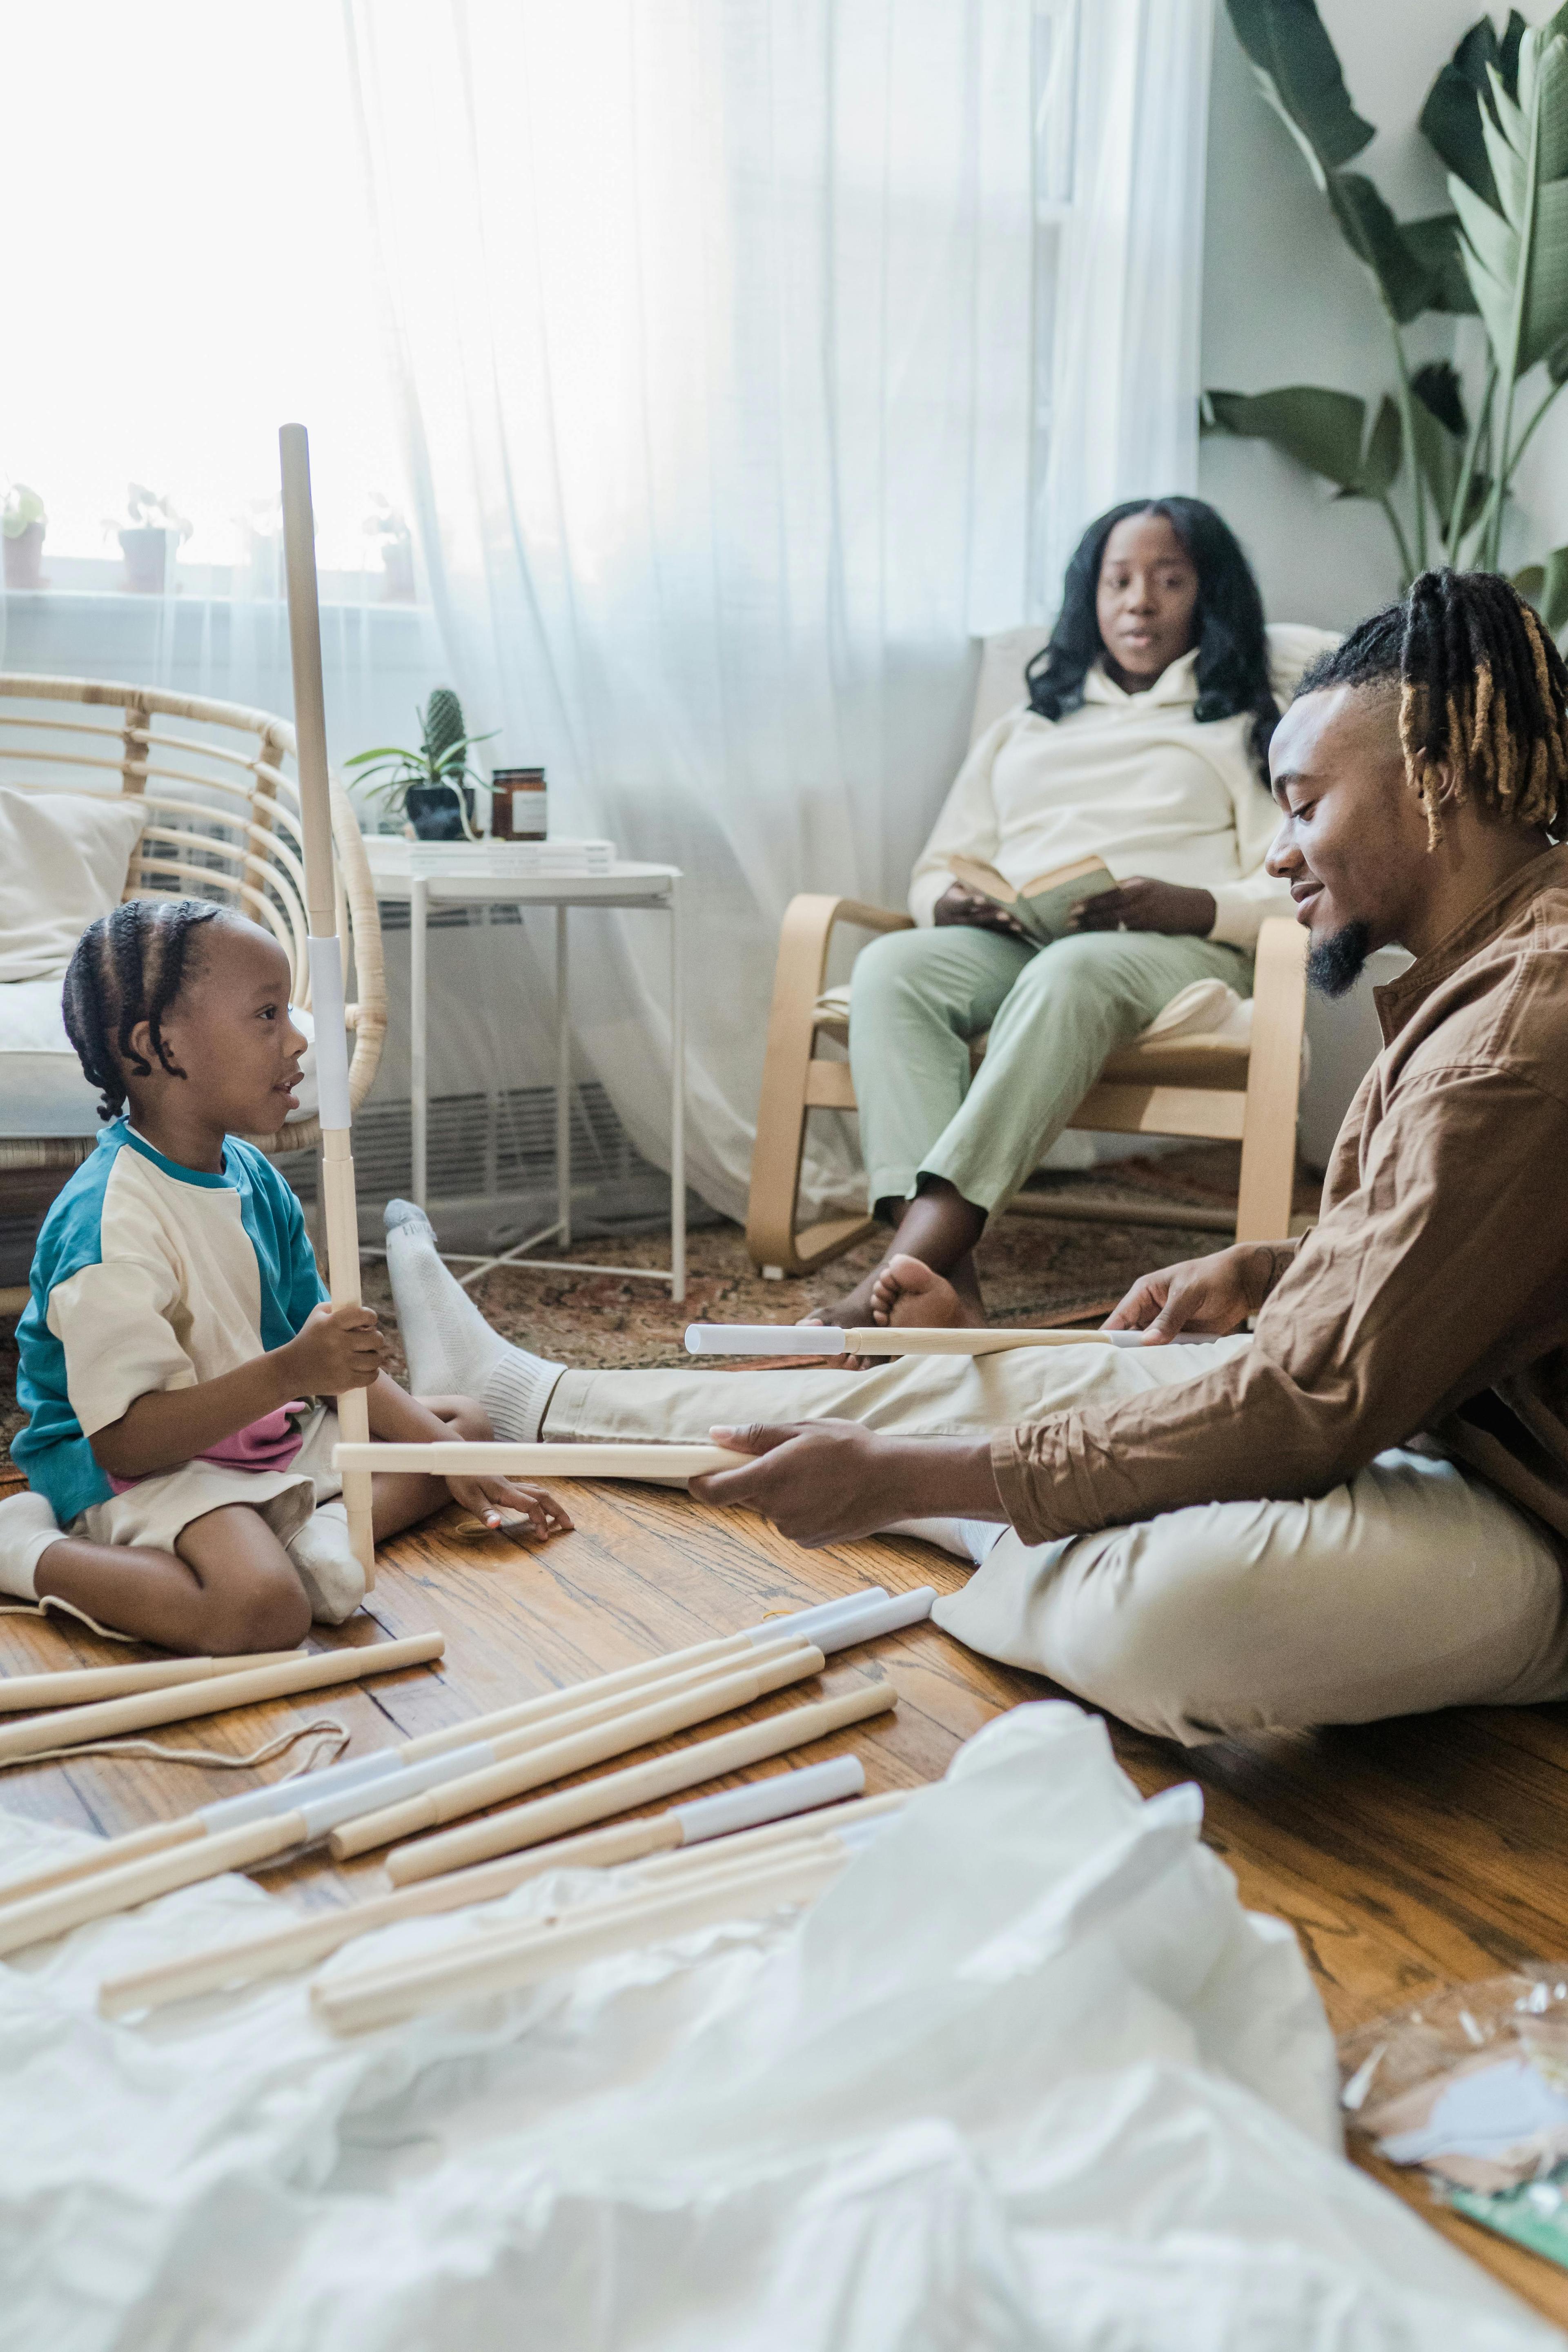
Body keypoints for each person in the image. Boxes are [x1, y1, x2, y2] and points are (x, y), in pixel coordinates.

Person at [377, 570, 1568, 1745]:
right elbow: (1466, 1245)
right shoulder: (1498, 972)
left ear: (1437, 781)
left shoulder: (1514, 1036)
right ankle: (532, 1398)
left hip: (1527, 1524)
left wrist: (908, 1481)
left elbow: (1304, 1404)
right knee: (995, 1383)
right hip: (1427, 1418)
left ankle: (971, 1505)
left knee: (1166, 1609)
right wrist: (1269, 1270)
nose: (1280, 853)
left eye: (1304, 806)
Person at [0, 899, 569, 1655]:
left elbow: (333, 1363)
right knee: (259, 1610)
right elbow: (128, 1444)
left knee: (462, 1427)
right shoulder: (109, 1224)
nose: (300, 1037)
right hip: (146, 1463)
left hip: (258, 1434)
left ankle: (318, 1531)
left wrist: (449, 1457)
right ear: (155, 1044)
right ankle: (28, 1552)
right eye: (268, 1015)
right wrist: (294, 1371)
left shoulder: (253, 1176)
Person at [821, 496, 1328, 1331]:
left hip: (1174, 950)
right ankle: (954, 1294)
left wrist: (1191, 904)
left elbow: (1292, 878)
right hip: (1024, 938)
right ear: (1089, 598)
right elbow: (935, 865)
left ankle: (906, 1261)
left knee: (1074, 969)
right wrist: (950, 901)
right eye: (1119, 581)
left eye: (1169, 581)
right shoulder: (1028, 726)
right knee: (891, 969)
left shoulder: (1247, 728)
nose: (1139, 602)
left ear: (1209, 595)